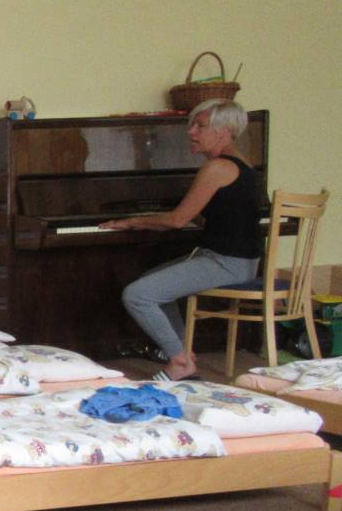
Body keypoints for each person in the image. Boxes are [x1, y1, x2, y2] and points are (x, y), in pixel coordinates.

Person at [102, 99, 263, 380]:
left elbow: (177, 220)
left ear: (224, 131)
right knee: (153, 282)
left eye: (200, 126)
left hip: (226, 263)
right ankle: (183, 353)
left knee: (138, 295)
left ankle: (179, 362)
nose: (191, 132)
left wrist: (132, 221)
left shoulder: (217, 167)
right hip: (235, 260)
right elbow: (210, 215)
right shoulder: (243, 164)